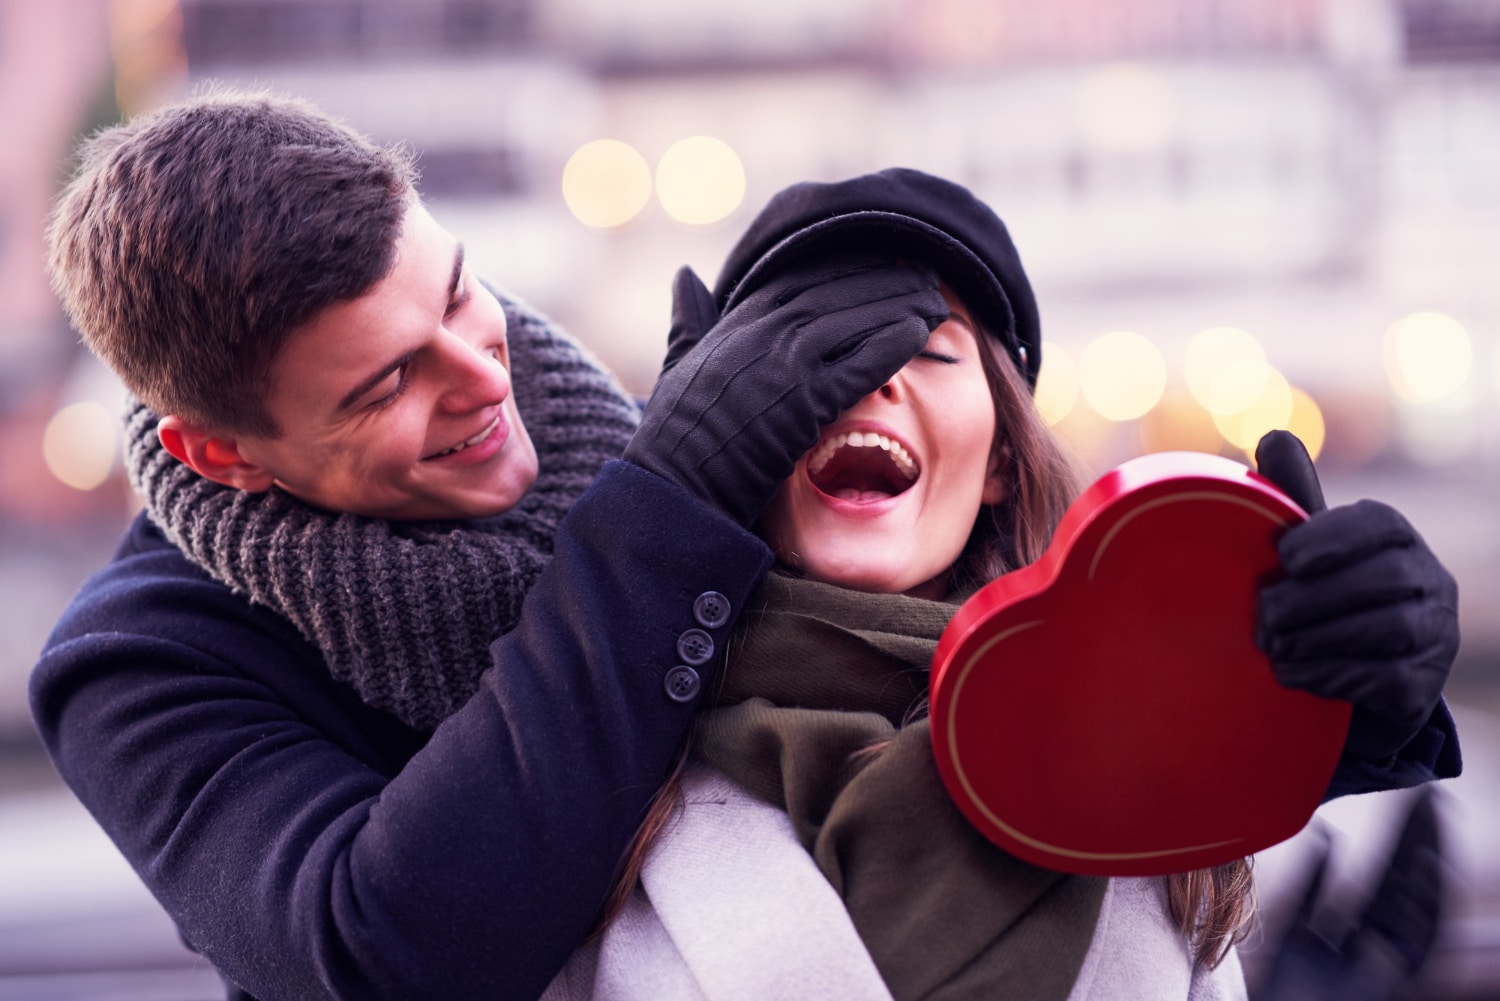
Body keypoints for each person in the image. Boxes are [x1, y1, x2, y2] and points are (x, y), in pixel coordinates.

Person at [30, 90, 948, 1001]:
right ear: (224, 454)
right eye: (389, 382)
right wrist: (666, 512)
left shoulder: (648, 462)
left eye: (459, 291)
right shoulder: (131, 667)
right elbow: (384, 957)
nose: (483, 377)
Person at [538, 168, 1464, 1001]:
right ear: (730, 442)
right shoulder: (593, 778)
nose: (872, 381)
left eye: (932, 350)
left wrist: (1328, 699)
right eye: (809, 350)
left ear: (1000, 463)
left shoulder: (1149, 790)